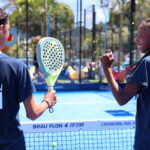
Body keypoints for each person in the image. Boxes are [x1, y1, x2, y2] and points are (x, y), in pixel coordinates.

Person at [0, 8, 57, 150]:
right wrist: (47, 101)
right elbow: (32, 113)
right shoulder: (17, 67)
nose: (8, 34)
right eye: (8, 29)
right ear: (1, 29)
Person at [100, 19, 150, 150]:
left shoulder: (146, 64)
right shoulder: (142, 64)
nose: (137, 39)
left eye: (141, 35)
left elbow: (121, 98)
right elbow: (121, 77)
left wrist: (106, 68)